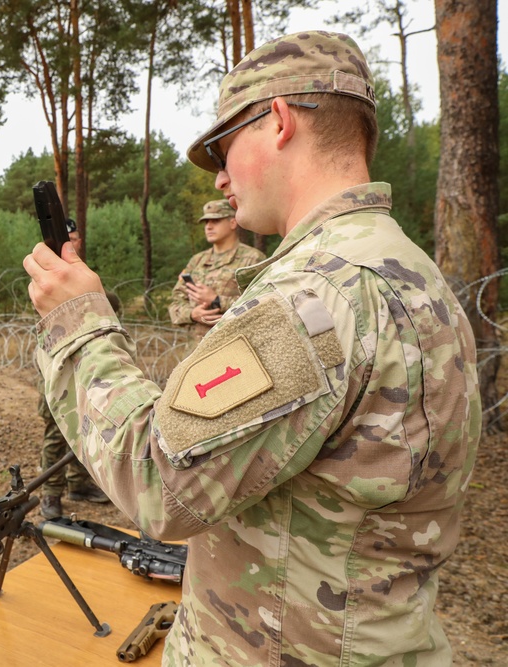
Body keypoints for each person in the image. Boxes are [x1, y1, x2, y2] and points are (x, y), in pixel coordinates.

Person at [23, 31, 480, 666]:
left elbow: (159, 483)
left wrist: (78, 326)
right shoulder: (412, 271)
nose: (219, 174)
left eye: (222, 145)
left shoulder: (311, 299)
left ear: (281, 120)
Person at [37, 290, 118, 520]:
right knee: (56, 436)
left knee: (85, 431)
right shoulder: (52, 298)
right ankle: (51, 493)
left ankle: (78, 484)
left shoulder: (93, 293)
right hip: (58, 376)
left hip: (86, 375)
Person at [168, 199, 265, 342]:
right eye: (206, 222)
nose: (209, 227)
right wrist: (191, 314)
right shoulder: (197, 261)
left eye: (216, 221)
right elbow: (175, 302)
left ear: (233, 223)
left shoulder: (253, 259)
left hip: (233, 347)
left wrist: (217, 300)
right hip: (195, 349)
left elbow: (261, 306)